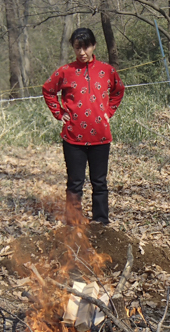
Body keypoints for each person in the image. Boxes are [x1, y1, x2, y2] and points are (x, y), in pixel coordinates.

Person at [42, 28, 125, 225]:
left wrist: (109, 112)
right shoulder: (65, 72)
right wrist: (59, 112)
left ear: (94, 46)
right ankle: (73, 223)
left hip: (101, 137)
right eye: (77, 47)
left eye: (86, 47)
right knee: (75, 183)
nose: (82, 52)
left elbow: (118, 90)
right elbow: (48, 90)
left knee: (100, 183)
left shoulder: (107, 70)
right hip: (73, 138)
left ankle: (101, 222)